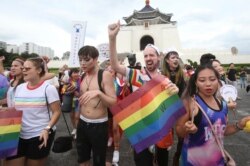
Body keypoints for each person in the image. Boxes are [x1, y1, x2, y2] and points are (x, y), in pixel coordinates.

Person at [108, 21, 179, 166]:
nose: (148, 58)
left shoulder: (164, 79)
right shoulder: (136, 74)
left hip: (161, 131)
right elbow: (115, 65)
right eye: (145, 56)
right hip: (141, 131)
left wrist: (175, 92)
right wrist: (112, 38)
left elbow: (170, 109)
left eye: (151, 55)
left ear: (159, 57)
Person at [175, 64, 250, 165]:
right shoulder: (189, 103)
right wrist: (187, 129)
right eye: (202, 80)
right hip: (193, 162)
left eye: (212, 79)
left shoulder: (223, 105)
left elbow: (220, 131)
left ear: (218, 81)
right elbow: (179, 132)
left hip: (217, 160)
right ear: (196, 82)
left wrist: (239, 125)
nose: (208, 84)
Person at [5, 57, 61, 166]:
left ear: (39, 70)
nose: (23, 70)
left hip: (39, 135)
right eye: (23, 68)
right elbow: (17, 109)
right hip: (19, 134)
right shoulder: (20, 87)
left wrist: (47, 129)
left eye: (27, 68)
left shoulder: (48, 88)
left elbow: (57, 112)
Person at [76, 45, 117, 166]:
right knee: (82, 160)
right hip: (82, 123)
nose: (82, 63)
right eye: (80, 60)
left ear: (95, 59)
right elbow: (85, 98)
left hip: (99, 125)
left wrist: (99, 93)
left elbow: (113, 102)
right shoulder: (83, 76)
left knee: (99, 161)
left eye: (86, 59)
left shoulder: (104, 75)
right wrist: (74, 91)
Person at [161, 49, 186, 166]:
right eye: (173, 57)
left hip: (180, 107)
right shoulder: (162, 74)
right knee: (166, 133)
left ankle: (177, 155)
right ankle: (160, 156)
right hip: (166, 108)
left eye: (177, 57)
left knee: (182, 134)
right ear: (167, 60)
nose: (176, 59)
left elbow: (186, 92)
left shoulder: (182, 74)